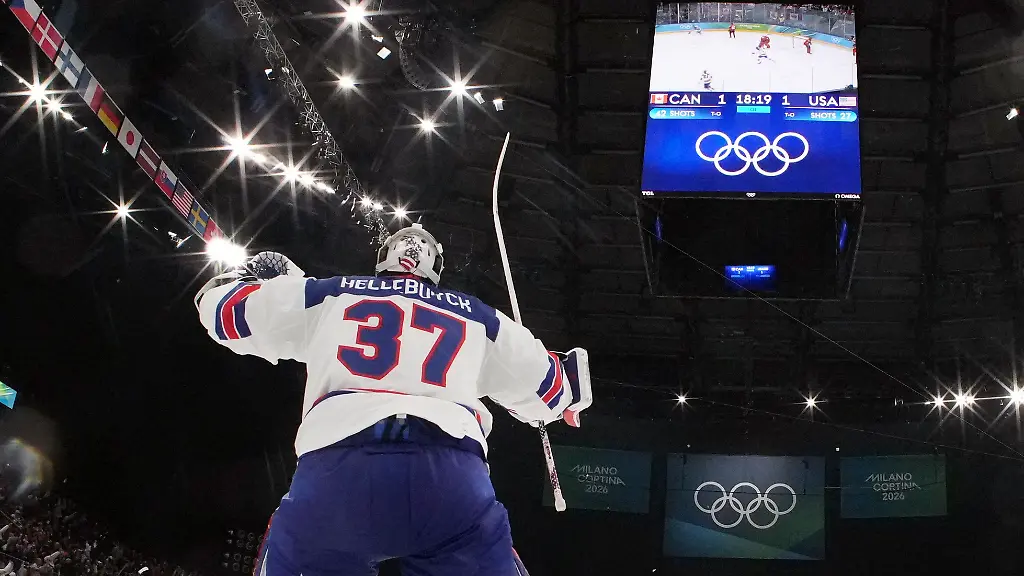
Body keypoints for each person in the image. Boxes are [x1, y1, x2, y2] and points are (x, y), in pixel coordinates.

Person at [195, 224, 593, 576]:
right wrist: (559, 404)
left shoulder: (330, 293)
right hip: (450, 479)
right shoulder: (479, 317)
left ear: (384, 258)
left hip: (337, 475)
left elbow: (223, 313)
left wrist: (251, 279)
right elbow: (557, 389)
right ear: (435, 269)